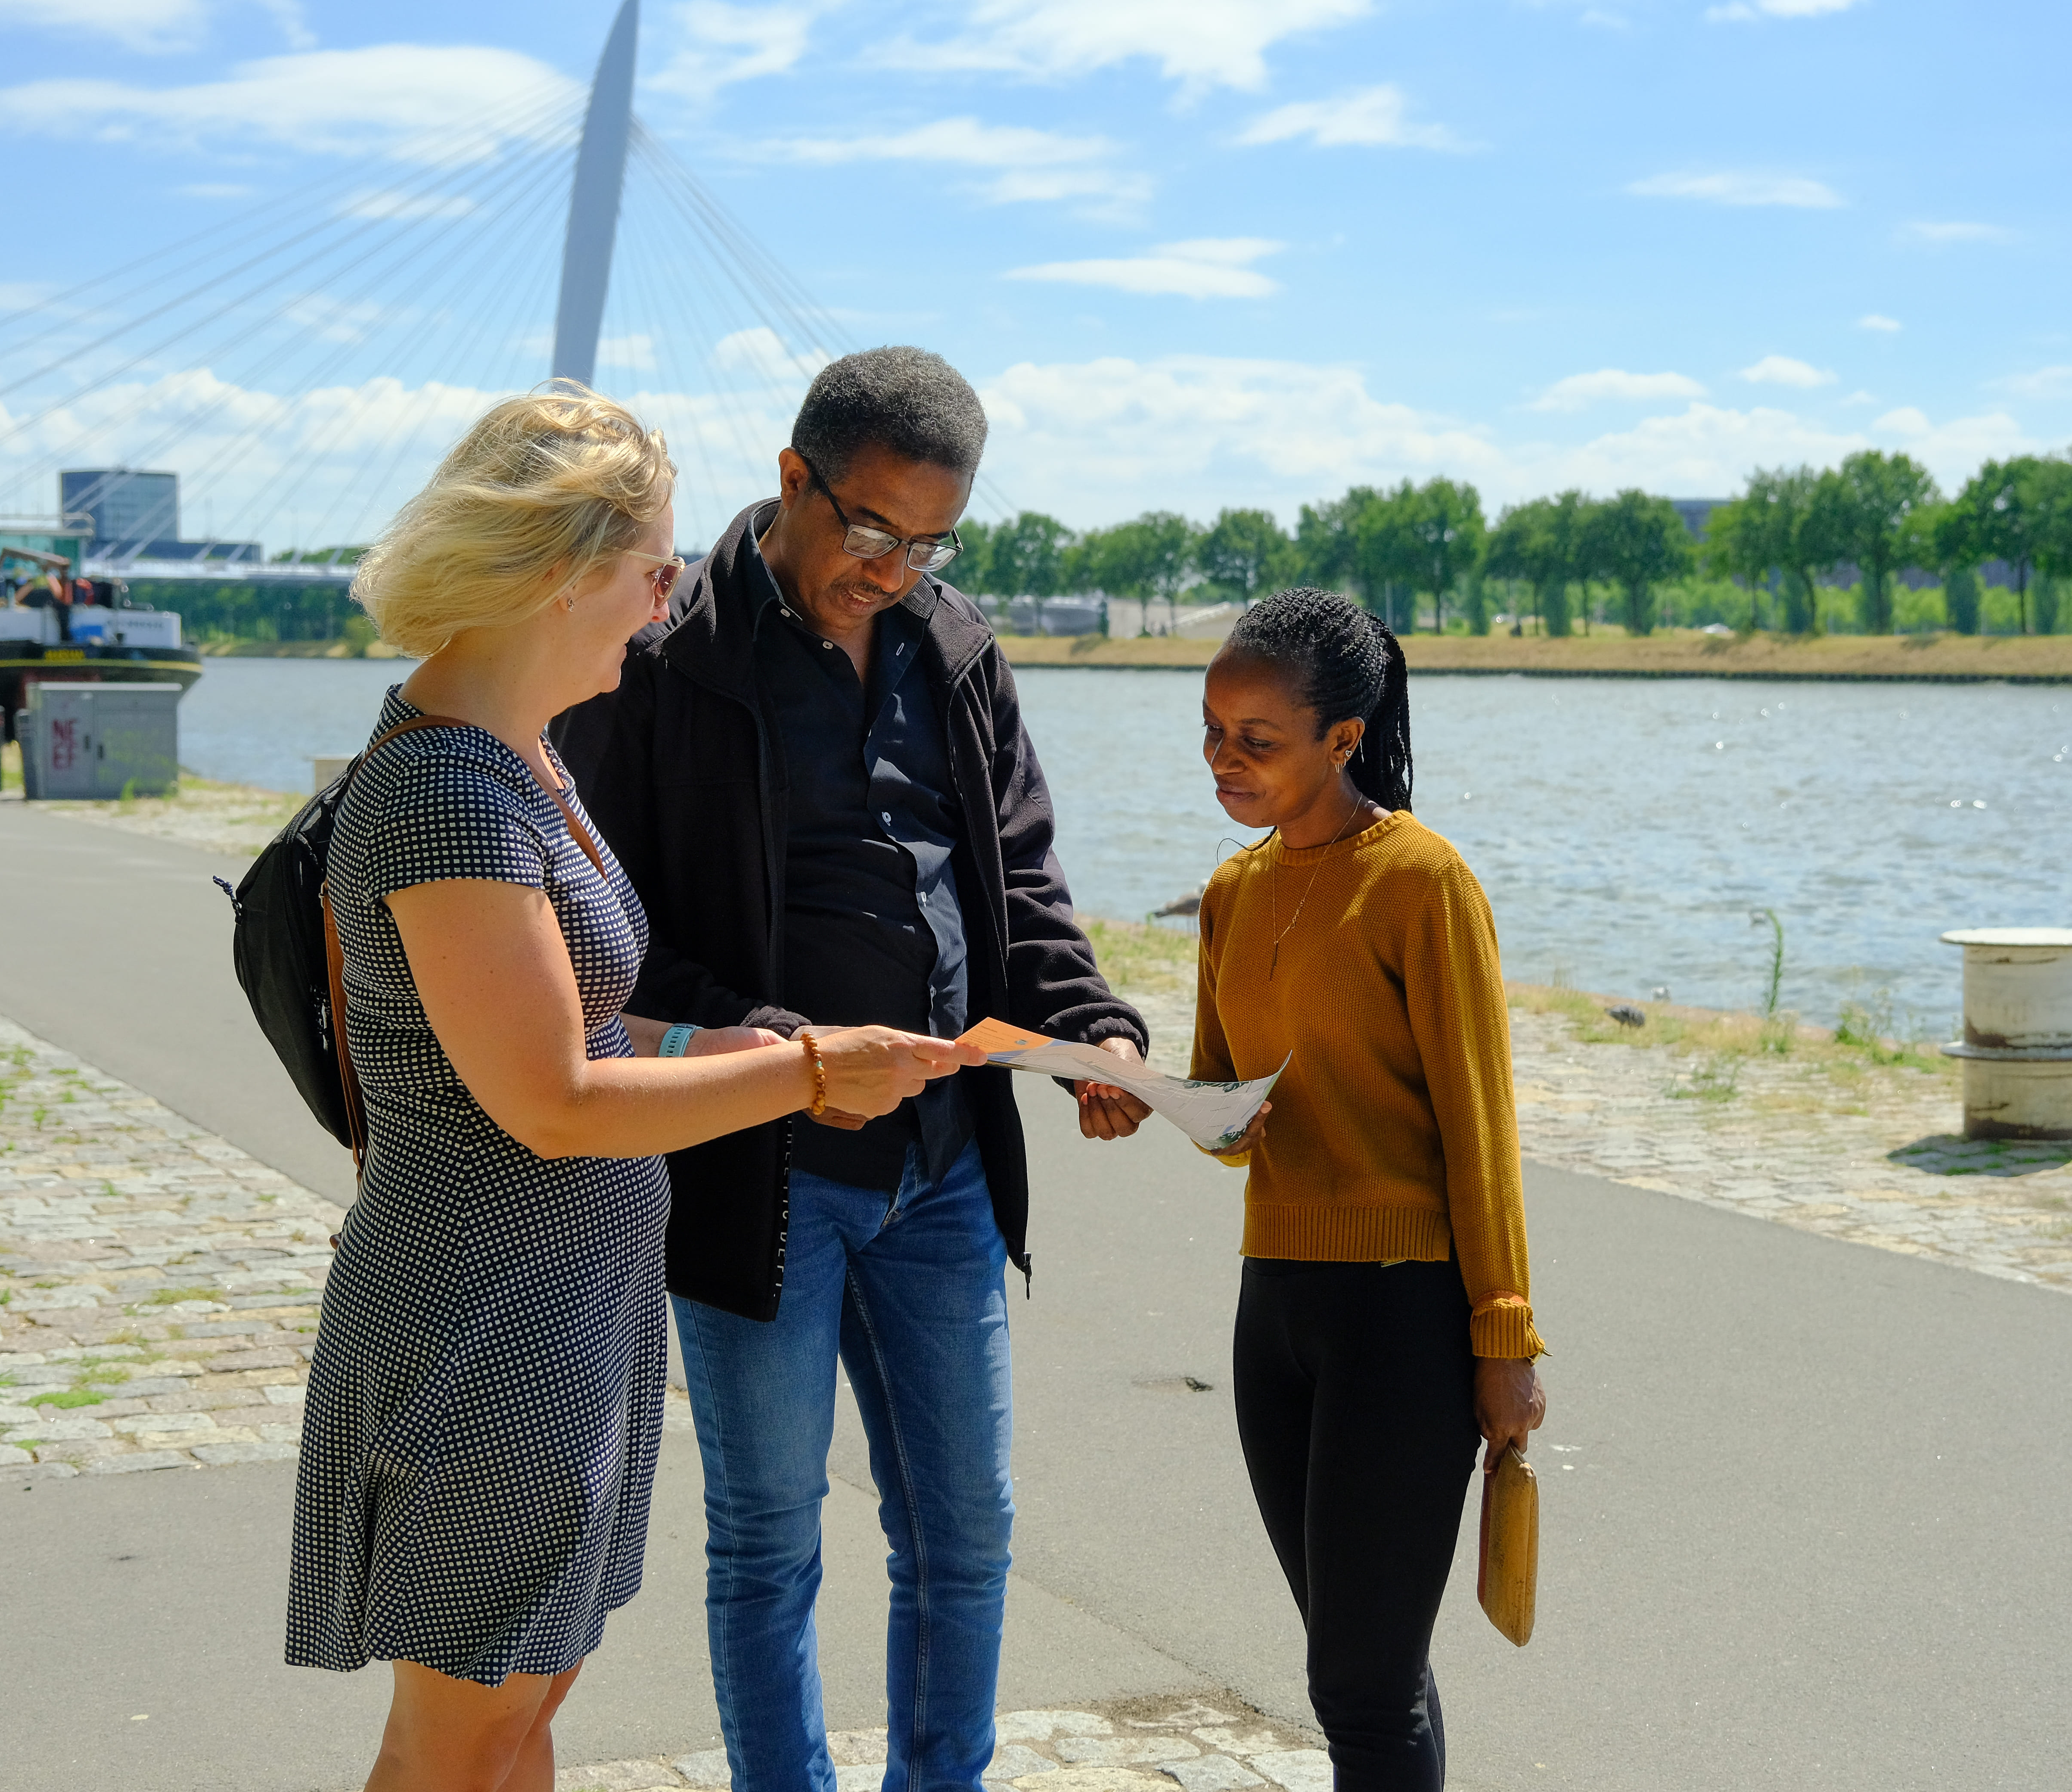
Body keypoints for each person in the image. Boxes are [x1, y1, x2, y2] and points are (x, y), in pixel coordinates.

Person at [284, 383, 985, 1792]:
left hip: (560, 1317)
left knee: (513, 1725)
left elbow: (599, 1033)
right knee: (460, 1741)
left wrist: (775, 1054)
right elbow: (550, 1100)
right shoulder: (447, 797)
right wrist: (798, 1075)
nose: (667, 603)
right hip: (486, 1327)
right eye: (652, 568)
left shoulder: (525, 761)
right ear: (558, 572)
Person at [554, 346, 1152, 1792]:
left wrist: (1097, 1032)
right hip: (759, 1170)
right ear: (791, 480)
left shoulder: (957, 646)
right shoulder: (656, 655)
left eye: (930, 541)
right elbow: (599, 947)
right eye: (871, 530)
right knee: (767, 1538)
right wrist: (793, 1053)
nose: (893, 569)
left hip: (942, 1171)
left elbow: (1017, 881)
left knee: (967, 1530)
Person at [1188, 588, 1547, 1792]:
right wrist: (1159, 1101)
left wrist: (1504, 1338)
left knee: (1361, 1682)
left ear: (1343, 739)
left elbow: (1480, 1128)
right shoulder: (1234, 891)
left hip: (1404, 1318)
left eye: (1257, 739)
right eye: (1212, 733)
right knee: (1362, 1670)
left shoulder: (1421, 881)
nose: (1224, 761)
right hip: (1273, 1309)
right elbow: (1228, 1113)